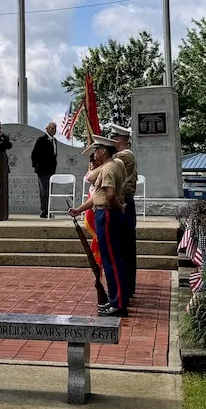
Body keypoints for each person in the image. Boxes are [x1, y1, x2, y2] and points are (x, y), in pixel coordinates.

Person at [68, 136, 129, 318]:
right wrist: (79, 209)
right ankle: (115, 300)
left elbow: (109, 195)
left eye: (96, 150)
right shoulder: (109, 167)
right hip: (105, 212)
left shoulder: (109, 168)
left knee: (111, 261)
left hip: (108, 214)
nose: (94, 154)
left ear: (104, 151)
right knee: (111, 260)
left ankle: (117, 303)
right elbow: (98, 196)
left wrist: (120, 210)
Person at [109, 123, 139, 298]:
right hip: (125, 203)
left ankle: (124, 289)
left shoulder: (123, 156)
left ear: (120, 139)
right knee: (125, 248)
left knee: (122, 248)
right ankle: (126, 288)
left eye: (113, 139)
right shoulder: (123, 155)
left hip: (123, 204)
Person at [30, 122, 59, 218]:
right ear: (47, 129)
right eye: (52, 128)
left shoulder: (54, 140)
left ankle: (48, 210)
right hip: (42, 170)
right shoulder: (41, 139)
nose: (53, 130)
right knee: (44, 192)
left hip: (51, 170)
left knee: (49, 192)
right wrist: (37, 167)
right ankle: (44, 211)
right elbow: (34, 154)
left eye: (55, 128)